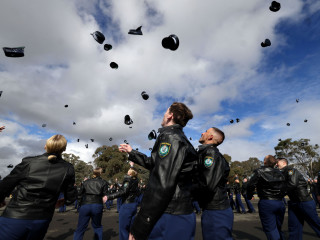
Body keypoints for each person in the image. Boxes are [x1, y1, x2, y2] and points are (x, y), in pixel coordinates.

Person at [119, 102, 197, 240]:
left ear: (170, 116)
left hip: (169, 214)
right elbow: (157, 165)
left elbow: (163, 182)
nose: (164, 115)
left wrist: (141, 224)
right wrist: (132, 152)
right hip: (178, 212)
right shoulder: (179, 138)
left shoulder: (170, 138)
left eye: (166, 112)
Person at [0, 134, 76, 240]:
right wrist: (63, 201)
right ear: (64, 149)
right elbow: (71, 197)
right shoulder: (68, 168)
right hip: (42, 219)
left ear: (46, 146)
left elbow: (6, 184)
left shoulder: (29, 162)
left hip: (16, 215)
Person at [194, 127, 233, 240]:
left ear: (210, 137)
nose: (202, 132)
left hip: (215, 210)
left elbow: (207, 184)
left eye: (205, 131)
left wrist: (186, 192)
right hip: (214, 208)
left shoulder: (210, 153)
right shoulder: (207, 152)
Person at [277, 158, 320, 239]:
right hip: (294, 203)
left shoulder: (291, 170)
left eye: (277, 162)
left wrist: (279, 190)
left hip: (303, 201)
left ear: (284, 163)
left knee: (315, 223)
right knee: (293, 227)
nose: (276, 164)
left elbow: (292, 183)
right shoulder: (282, 173)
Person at [247, 155, 286, 240]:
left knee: (271, 229)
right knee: (278, 228)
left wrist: (249, 195)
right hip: (280, 202)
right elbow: (285, 187)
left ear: (264, 162)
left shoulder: (259, 171)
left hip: (267, 202)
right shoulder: (280, 172)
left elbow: (250, 184)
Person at [104, 166, 140, 240]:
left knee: (123, 229)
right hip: (134, 205)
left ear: (130, 172)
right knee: (131, 229)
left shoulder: (128, 180)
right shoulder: (136, 180)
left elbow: (123, 191)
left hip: (126, 205)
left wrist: (108, 197)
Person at [73, 167, 108, 240]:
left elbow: (80, 194)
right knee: (97, 227)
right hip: (97, 204)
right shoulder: (104, 182)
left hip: (85, 204)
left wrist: (80, 204)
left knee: (80, 227)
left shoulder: (85, 182)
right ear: (100, 173)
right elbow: (105, 195)